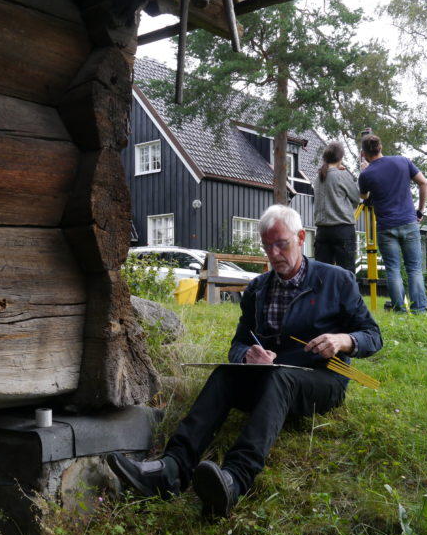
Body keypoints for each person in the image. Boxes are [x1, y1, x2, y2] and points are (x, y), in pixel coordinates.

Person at [107, 205, 382, 517]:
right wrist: (248, 356)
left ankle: (234, 479)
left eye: (282, 244)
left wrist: (344, 340)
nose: (274, 254)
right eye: (267, 246)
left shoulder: (337, 281)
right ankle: (170, 469)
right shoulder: (258, 289)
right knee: (227, 373)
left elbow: (373, 335)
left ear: (301, 238)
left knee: (282, 378)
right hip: (269, 379)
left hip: (322, 380)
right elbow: (239, 343)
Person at [357, 134, 427, 313]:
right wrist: (420, 211)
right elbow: (424, 183)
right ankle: (419, 309)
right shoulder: (402, 161)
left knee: (393, 269)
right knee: (414, 268)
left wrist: (363, 170)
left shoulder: (366, 174)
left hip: (385, 227)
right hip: (409, 221)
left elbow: (364, 196)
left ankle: (399, 309)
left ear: (363, 153)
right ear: (380, 146)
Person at [311, 141, 361, 271]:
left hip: (322, 231)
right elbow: (356, 198)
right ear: (340, 158)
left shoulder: (318, 177)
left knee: (322, 273)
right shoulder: (342, 175)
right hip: (342, 229)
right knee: (346, 272)